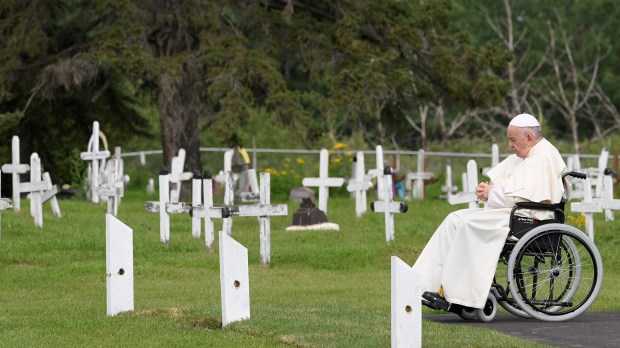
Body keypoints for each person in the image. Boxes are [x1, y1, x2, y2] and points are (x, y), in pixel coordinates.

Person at [412, 113, 567, 311]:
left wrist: (492, 194)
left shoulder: (543, 156)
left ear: (528, 138)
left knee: (469, 224)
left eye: (513, 140)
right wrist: (489, 191)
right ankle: (421, 284)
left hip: (530, 217)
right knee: (455, 218)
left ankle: (459, 297)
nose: (510, 145)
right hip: (517, 212)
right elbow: (514, 186)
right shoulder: (530, 154)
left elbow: (525, 196)